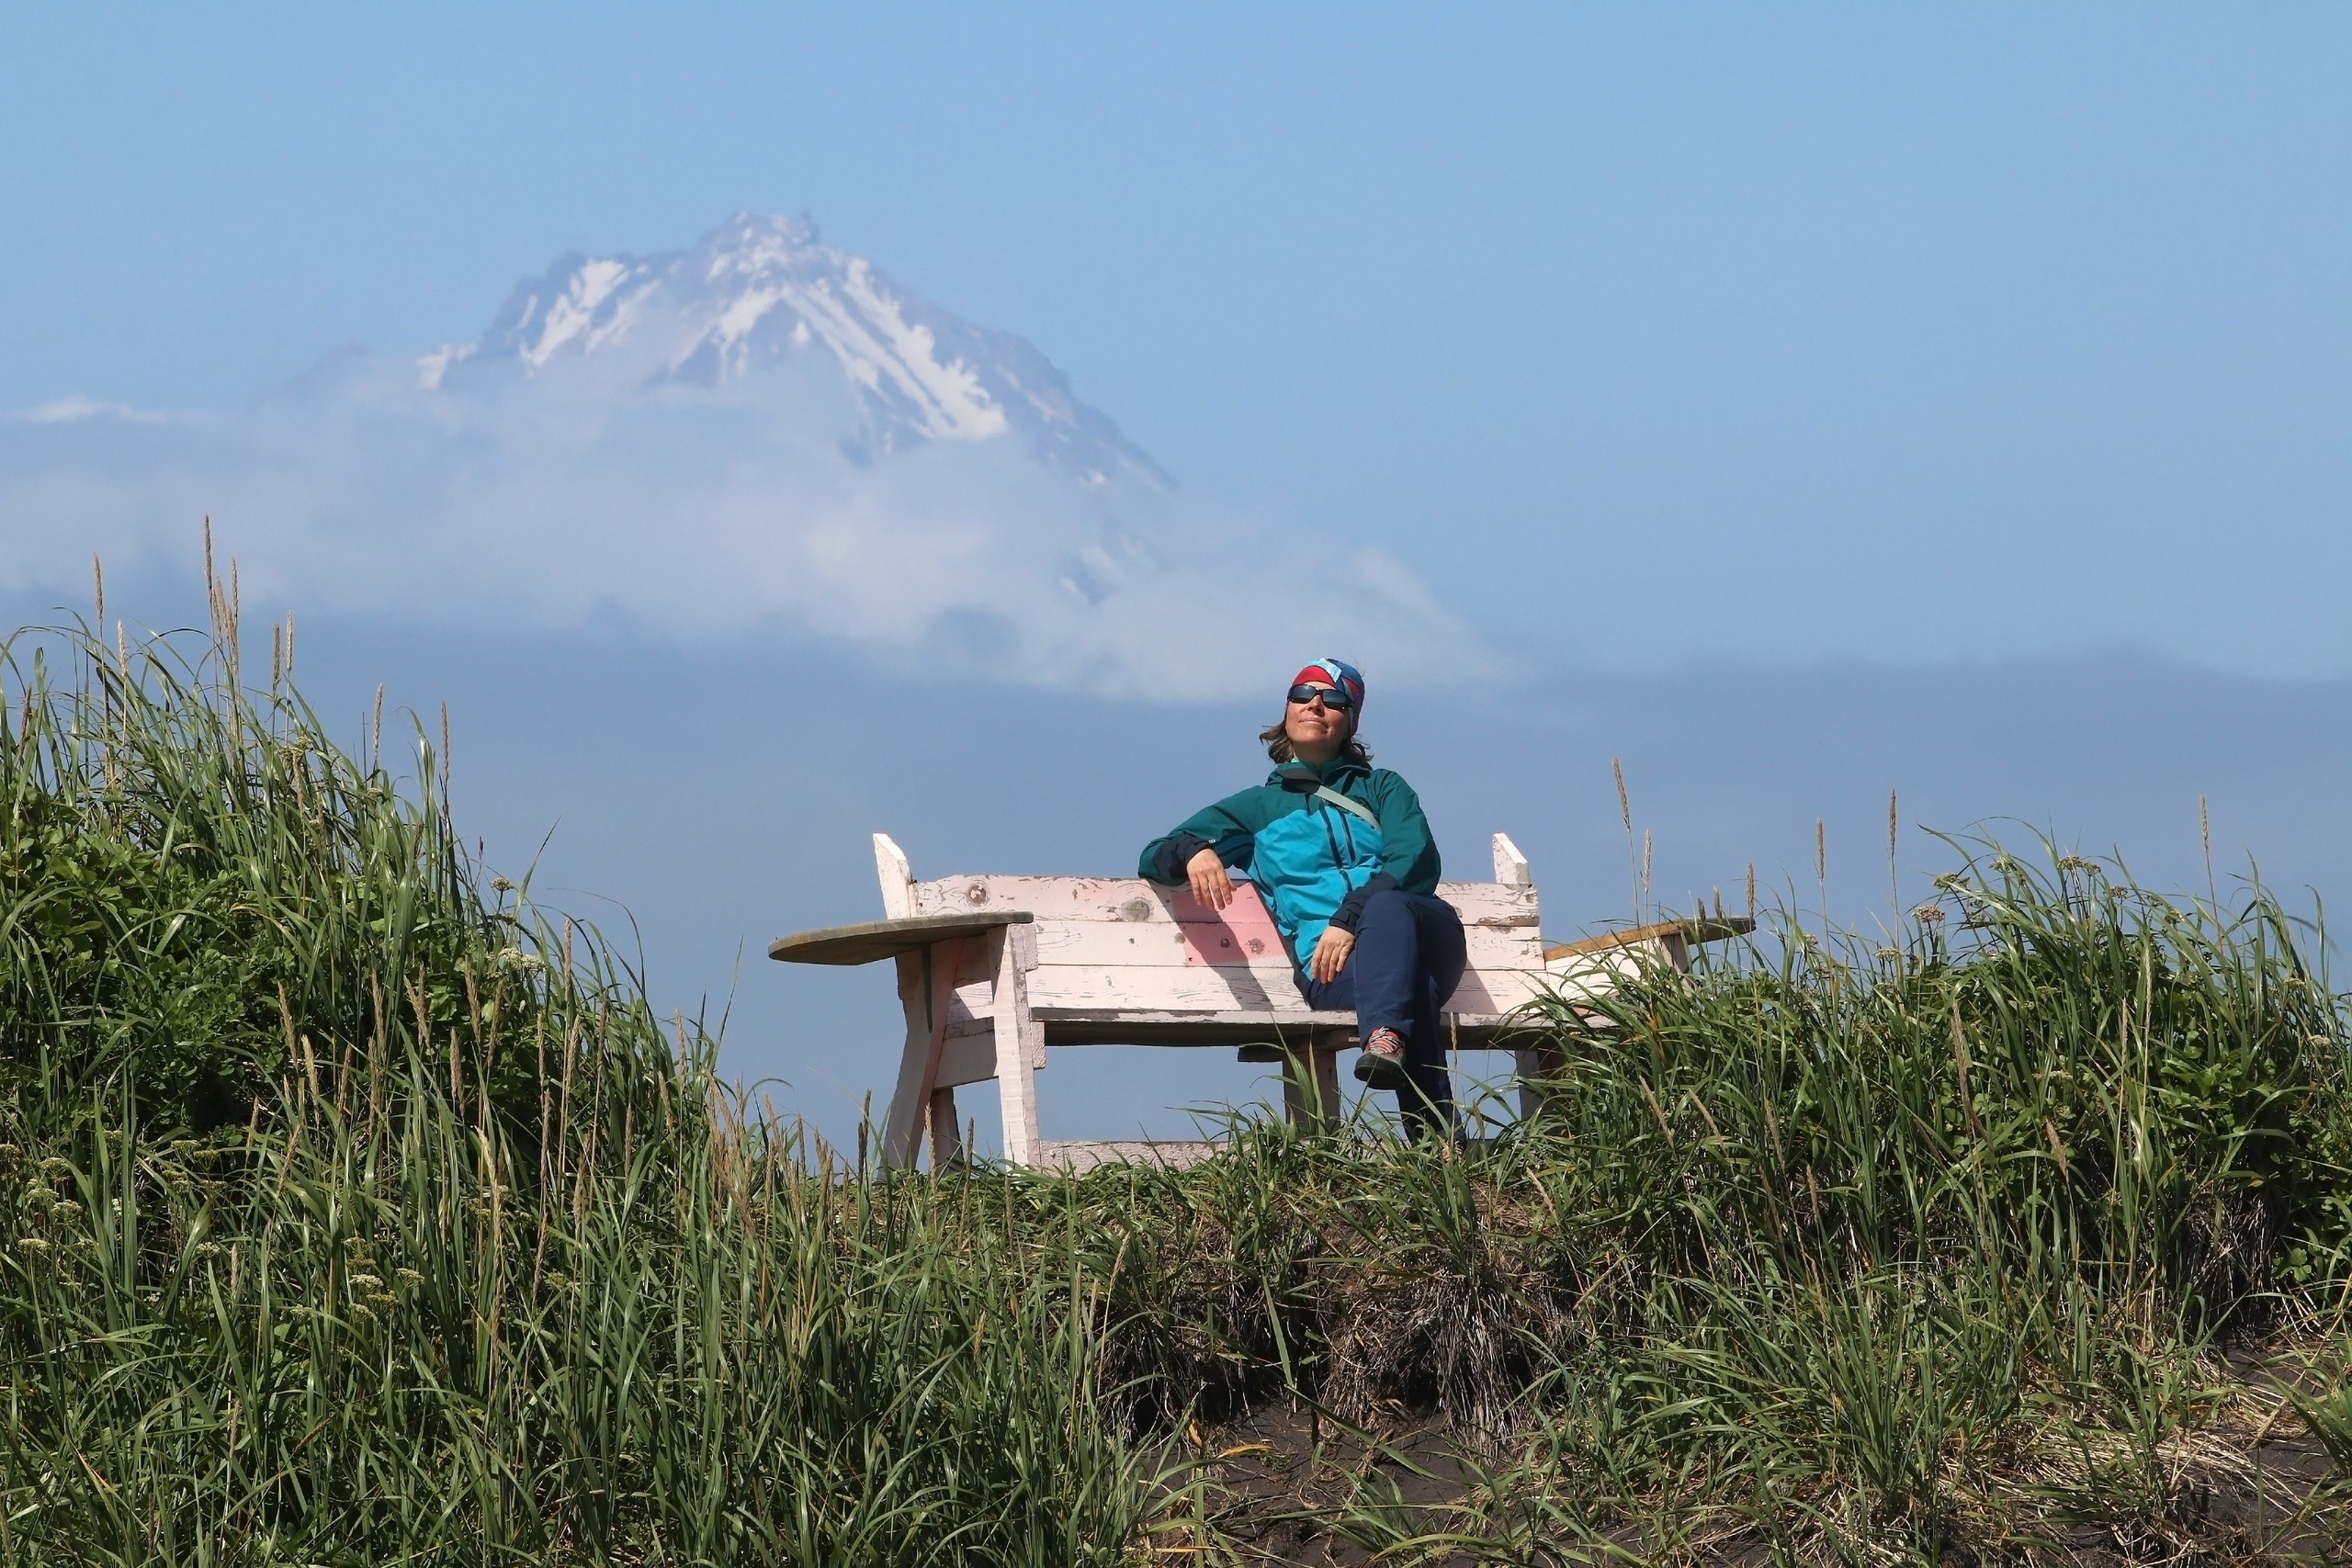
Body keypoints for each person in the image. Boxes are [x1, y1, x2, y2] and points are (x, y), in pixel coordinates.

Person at [1138, 657, 1466, 1139]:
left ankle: (1387, 1039)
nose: (1316, 703)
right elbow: (1152, 856)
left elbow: (1415, 862)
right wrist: (1195, 851)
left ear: (1349, 720)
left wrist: (1350, 914)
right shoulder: (1255, 809)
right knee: (1413, 985)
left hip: (1423, 935)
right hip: (1334, 970)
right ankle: (1439, 1147)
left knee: (1388, 907)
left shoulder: (1382, 788)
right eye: (1303, 694)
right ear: (1287, 711)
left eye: (1333, 699)